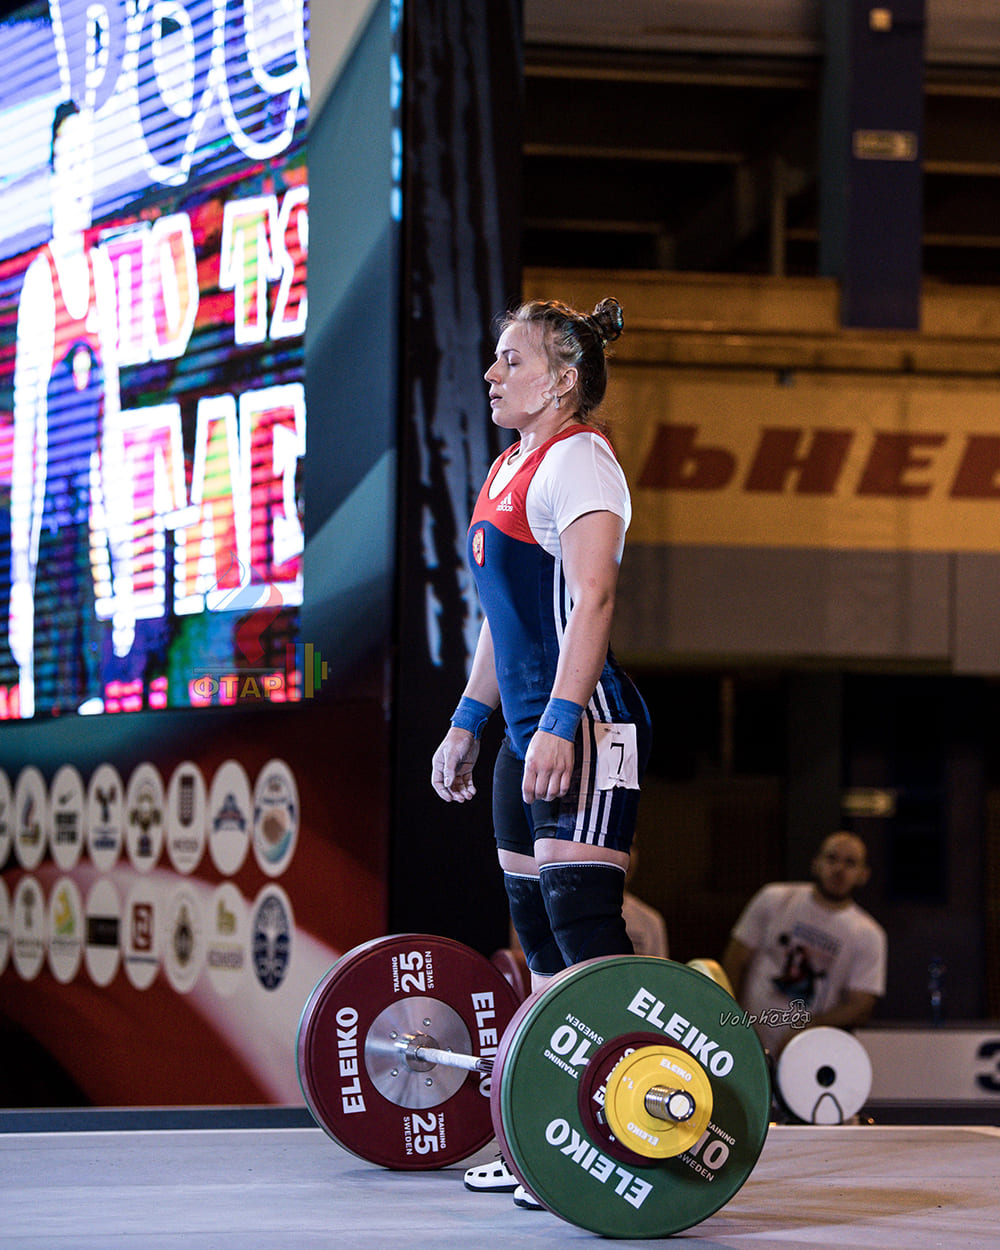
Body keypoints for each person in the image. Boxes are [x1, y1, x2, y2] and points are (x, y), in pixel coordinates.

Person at [431, 296, 651, 1207]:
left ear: (562, 380)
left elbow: (593, 597)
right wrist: (467, 722)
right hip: (527, 731)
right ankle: (547, 1140)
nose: (491, 374)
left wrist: (560, 722)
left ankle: (632, 1135)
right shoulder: (509, 467)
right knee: (538, 944)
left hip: (586, 721)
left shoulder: (581, 459)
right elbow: (502, 618)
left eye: (511, 360)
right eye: (494, 358)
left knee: (582, 927)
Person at [9, 99, 132, 719]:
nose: (80, 174)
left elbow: (111, 434)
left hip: (89, 547)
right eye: (69, 158)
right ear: (54, 171)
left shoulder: (103, 275)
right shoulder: (40, 286)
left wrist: (123, 576)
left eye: (88, 158)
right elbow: (27, 447)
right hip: (51, 549)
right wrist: (19, 586)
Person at [721, 832, 887, 1059]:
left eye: (850, 863)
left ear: (863, 875)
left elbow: (861, 1006)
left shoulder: (868, 934)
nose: (839, 869)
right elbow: (734, 959)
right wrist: (732, 1020)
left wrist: (809, 1028)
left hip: (808, 1053)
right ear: (815, 863)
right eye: (832, 858)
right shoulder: (774, 898)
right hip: (744, 1038)